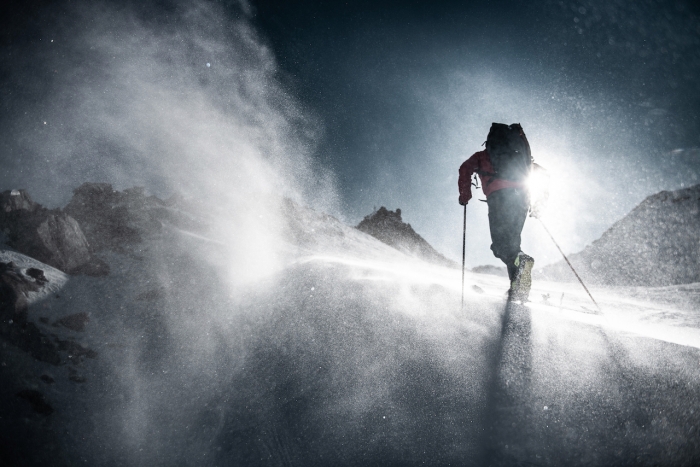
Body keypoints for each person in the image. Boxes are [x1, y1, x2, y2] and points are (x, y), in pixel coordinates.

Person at [458, 123, 538, 301]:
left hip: (499, 197)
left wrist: (465, 195)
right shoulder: (521, 157)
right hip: (522, 199)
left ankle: (519, 270)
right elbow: (542, 173)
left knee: (501, 246)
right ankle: (516, 288)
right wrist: (539, 204)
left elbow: (465, 168)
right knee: (512, 245)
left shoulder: (483, 155)